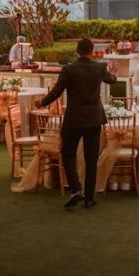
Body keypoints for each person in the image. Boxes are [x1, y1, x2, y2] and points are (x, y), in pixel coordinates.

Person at [35, 38, 117, 209]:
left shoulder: (69, 69)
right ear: (92, 51)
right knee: (91, 159)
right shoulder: (99, 68)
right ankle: (89, 197)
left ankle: (75, 189)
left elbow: (57, 92)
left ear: (77, 51)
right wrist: (113, 73)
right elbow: (111, 80)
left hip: (74, 119)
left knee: (68, 154)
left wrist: (42, 102)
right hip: (94, 119)